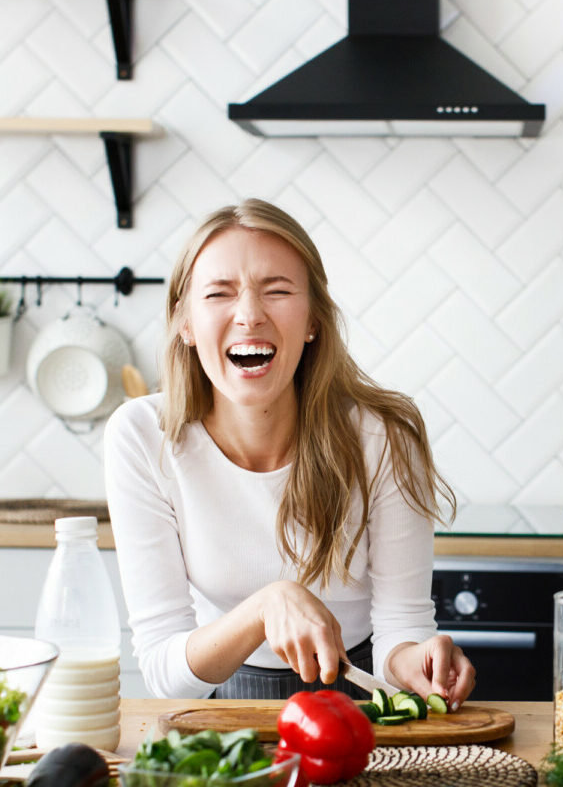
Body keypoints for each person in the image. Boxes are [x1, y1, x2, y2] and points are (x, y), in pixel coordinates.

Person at [104, 198, 475, 705]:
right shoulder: (142, 436)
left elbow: (401, 627)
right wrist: (266, 607)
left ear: (313, 322)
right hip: (217, 706)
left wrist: (417, 662)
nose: (249, 316)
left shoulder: (384, 437)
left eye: (277, 291)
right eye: (218, 294)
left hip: (363, 698)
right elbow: (163, 670)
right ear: (185, 323)